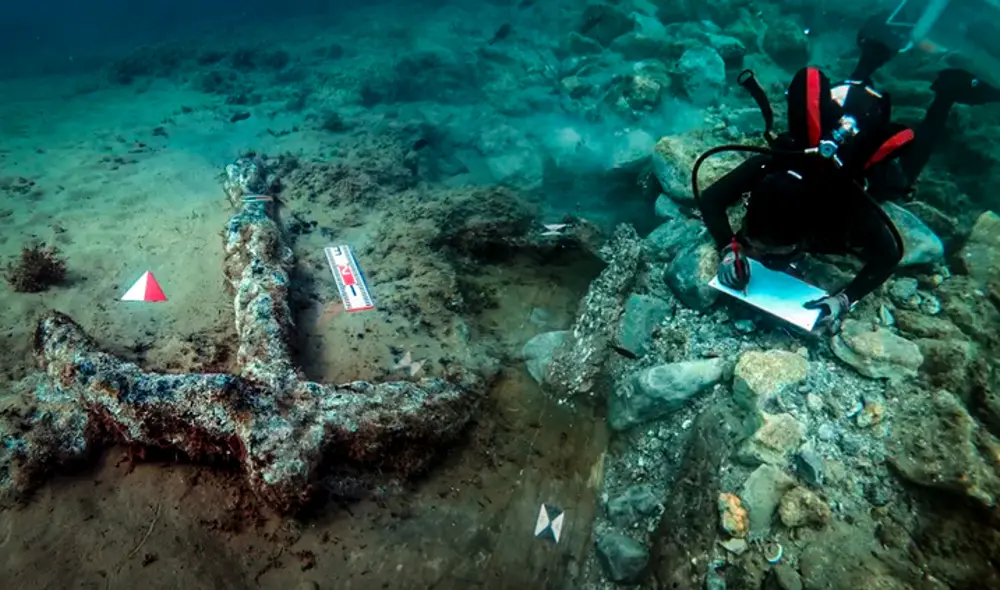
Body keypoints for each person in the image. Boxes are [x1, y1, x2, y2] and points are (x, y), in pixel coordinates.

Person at [699, 16, 1000, 331]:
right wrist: (731, 246)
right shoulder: (774, 162)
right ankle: (871, 57)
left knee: (902, 181)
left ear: (807, 235)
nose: (758, 256)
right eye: (754, 243)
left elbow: (889, 255)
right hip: (841, 110)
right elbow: (711, 199)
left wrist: (844, 298)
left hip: (865, 123)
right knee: (843, 103)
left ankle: (945, 95)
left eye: (771, 254)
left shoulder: (846, 207)